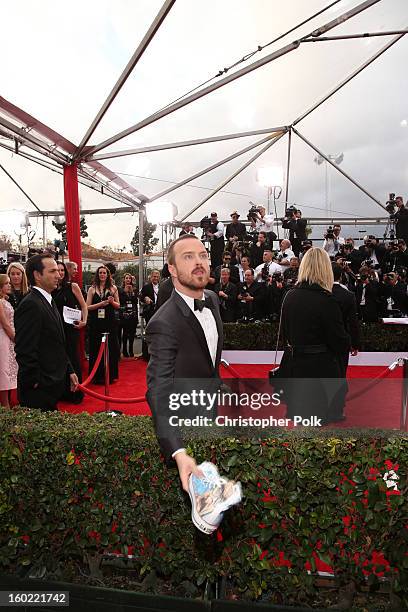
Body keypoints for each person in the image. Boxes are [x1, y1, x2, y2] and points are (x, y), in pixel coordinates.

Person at [146, 234, 223, 491]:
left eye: (202, 255)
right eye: (188, 257)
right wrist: (178, 451)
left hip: (213, 417)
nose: (198, 262)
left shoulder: (211, 299)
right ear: (172, 270)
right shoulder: (163, 323)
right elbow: (158, 390)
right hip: (187, 427)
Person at [278, 248, 350, 424]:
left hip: (294, 367)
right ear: (326, 268)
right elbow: (339, 341)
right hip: (320, 372)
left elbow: (283, 333)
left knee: (300, 424)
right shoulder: (327, 300)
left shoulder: (290, 296)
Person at [15, 254, 78, 411]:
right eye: (52, 271)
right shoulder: (31, 304)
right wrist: (35, 382)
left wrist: (69, 370)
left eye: (58, 271)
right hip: (39, 391)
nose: (58, 275)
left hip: (52, 385)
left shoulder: (48, 300)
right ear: (37, 275)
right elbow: (24, 349)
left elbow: (56, 341)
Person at [53, 261, 88, 403]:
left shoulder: (72, 286)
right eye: (57, 270)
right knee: (58, 359)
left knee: (72, 359)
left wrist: (84, 321)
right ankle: (61, 391)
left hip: (71, 329)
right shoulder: (51, 288)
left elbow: (84, 306)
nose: (60, 273)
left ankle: (75, 391)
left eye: (62, 270)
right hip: (56, 329)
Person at [331, 263, 360, 419]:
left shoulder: (320, 293)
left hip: (320, 342)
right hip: (341, 343)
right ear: (341, 276)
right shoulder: (348, 295)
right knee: (340, 375)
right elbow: (353, 323)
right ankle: (337, 410)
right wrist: (355, 344)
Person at [86, 265, 120, 384]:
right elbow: (87, 307)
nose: (102, 275)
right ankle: (96, 376)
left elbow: (118, 306)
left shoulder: (113, 288)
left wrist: (111, 302)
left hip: (109, 322)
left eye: (104, 273)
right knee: (96, 348)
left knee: (110, 348)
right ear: (97, 274)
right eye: (100, 273)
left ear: (107, 274)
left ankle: (110, 375)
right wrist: (100, 304)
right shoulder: (92, 289)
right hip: (96, 323)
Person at [0, 274, 18, 408]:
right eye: (6, 283)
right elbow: (5, 324)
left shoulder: (4, 300)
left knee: (9, 370)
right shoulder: (0, 302)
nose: (9, 285)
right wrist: (16, 338)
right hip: (4, 338)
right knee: (4, 371)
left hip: (9, 337)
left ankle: (8, 404)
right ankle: (5, 405)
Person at [118, 273, 138, 357]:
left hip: (133, 314)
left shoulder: (134, 289)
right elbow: (120, 301)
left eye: (129, 278)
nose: (128, 280)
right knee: (125, 333)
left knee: (132, 333)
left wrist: (132, 292)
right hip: (124, 314)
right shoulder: (120, 290)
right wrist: (125, 292)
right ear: (124, 280)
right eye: (126, 278)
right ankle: (125, 350)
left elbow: (135, 301)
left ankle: (131, 349)